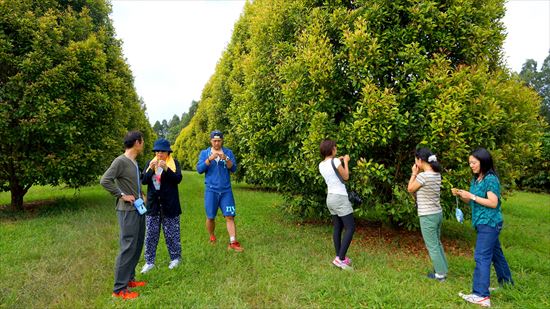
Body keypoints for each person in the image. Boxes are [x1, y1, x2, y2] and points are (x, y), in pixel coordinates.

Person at [452, 148, 513, 307]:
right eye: (469, 163)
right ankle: (506, 283)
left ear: (483, 161)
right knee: (496, 254)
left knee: (481, 256)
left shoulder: (490, 179)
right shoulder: (477, 178)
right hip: (482, 222)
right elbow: (473, 200)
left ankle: (481, 295)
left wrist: (471, 196)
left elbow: (493, 203)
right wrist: (462, 194)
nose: (471, 165)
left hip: (490, 222)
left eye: (474, 162)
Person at [100, 131, 147, 300]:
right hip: (127, 211)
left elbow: (133, 183)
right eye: (142, 141)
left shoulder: (134, 162)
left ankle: (130, 279)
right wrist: (122, 195)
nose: (143, 144)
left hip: (138, 209)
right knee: (128, 246)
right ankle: (119, 289)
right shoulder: (120, 161)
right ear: (136, 142)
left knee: (137, 243)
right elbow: (105, 180)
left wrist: (141, 194)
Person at [140, 138, 183, 274]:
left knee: (172, 233)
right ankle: (149, 262)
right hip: (153, 205)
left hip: (170, 204)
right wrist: (151, 170)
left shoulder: (174, 163)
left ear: (167, 152)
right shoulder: (149, 163)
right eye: (157, 151)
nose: (159, 153)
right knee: (151, 234)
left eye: (162, 151)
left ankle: (175, 258)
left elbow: (178, 179)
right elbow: (144, 181)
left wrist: (166, 169)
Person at [196, 130, 243, 252]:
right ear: (211, 141)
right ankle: (212, 236)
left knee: (230, 216)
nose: (217, 143)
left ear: (222, 140)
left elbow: (233, 168)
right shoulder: (204, 153)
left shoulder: (228, 152)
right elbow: (199, 169)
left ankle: (233, 241)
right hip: (211, 191)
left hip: (226, 191)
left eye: (219, 141)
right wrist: (209, 159)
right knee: (210, 217)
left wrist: (226, 159)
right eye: (214, 141)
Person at [407, 147, 448, 281]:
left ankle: (440, 274)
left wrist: (414, 173)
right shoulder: (437, 174)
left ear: (419, 160)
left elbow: (410, 188)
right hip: (437, 213)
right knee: (437, 242)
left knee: (432, 245)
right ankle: (442, 268)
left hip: (427, 215)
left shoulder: (423, 176)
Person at [318, 139, 355, 270]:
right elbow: (345, 177)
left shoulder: (321, 165)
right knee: (350, 227)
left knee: (337, 227)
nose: (336, 148)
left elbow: (332, 169)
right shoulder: (336, 161)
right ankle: (340, 259)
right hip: (340, 197)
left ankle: (340, 257)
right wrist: (345, 161)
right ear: (332, 149)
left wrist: (338, 161)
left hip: (330, 198)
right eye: (335, 147)